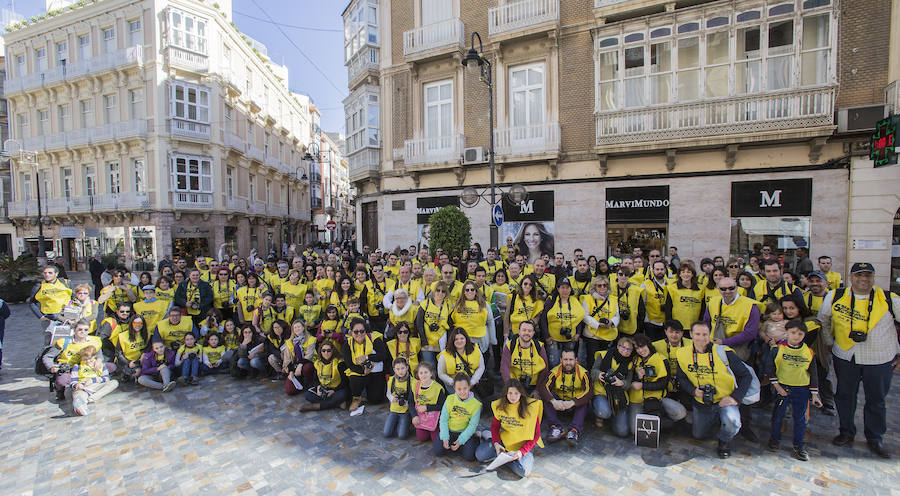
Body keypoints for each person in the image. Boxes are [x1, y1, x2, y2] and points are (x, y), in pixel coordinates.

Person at [819, 262, 900, 459]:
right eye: (859, 275)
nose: (863, 279)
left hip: (880, 358)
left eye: (867, 275)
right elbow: (823, 321)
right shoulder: (835, 296)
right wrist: (830, 342)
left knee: (876, 400)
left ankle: (875, 437)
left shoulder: (889, 299)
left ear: (873, 278)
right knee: (845, 396)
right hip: (846, 356)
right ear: (851, 277)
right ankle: (846, 431)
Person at [676, 321, 754, 459]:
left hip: (725, 401)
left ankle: (724, 441)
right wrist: (693, 391)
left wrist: (734, 398)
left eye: (705, 334)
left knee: (733, 422)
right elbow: (681, 378)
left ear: (710, 334)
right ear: (691, 334)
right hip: (702, 401)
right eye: (697, 334)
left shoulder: (723, 352)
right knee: (698, 435)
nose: (701, 338)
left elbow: (746, 376)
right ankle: (716, 420)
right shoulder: (681, 354)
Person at [766, 319, 822, 461]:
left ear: (804, 335)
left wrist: (815, 395)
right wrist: (777, 387)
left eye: (800, 333)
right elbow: (769, 369)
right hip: (783, 388)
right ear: (786, 333)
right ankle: (774, 439)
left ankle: (799, 445)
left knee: (801, 419)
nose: (796, 336)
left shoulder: (808, 352)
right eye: (793, 333)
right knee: (778, 416)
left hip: (801, 390)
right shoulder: (778, 349)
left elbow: (814, 373)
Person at [475, 379, 543, 478]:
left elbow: (536, 435)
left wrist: (521, 452)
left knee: (523, 472)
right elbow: (495, 426)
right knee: (479, 455)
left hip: (522, 447)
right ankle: (504, 458)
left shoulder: (531, 407)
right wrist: (496, 443)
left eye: (516, 393)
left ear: (521, 393)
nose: (513, 396)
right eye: (510, 393)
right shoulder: (500, 405)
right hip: (504, 444)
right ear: (506, 393)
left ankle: (503, 460)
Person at [628, 335, 687, 433]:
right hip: (637, 399)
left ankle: (660, 422)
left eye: (642, 346)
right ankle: (652, 421)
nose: (641, 350)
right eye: (637, 348)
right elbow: (630, 381)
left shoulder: (661, 359)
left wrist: (643, 385)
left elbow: (663, 384)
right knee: (635, 431)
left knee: (680, 412)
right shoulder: (634, 360)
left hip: (657, 398)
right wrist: (639, 377)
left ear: (648, 344)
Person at [539, 346, 590, 446]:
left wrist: (573, 402)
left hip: (574, 405)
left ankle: (574, 430)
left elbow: (589, 392)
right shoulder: (554, 372)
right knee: (547, 397)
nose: (568, 362)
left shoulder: (583, 373)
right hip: (559, 405)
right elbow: (543, 387)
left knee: (585, 401)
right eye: (565, 359)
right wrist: (553, 401)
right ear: (561, 360)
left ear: (576, 360)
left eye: (571, 359)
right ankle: (556, 428)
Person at [590, 336, 635, 437]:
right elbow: (592, 372)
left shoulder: (630, 364)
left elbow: (628, 383)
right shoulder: (603, 355)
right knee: (604, 412)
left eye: (629, 349)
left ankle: (614, 417)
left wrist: (622, 383)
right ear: (618, 346)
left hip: (618, 396)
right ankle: (601, 414)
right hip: (602, 391)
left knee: (622, 431)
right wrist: (599, 375)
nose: (625, 351)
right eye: (623, 347)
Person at [432, 373, 482, 461]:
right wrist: (445, 437)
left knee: (469, 457)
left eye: (465, 388)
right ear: (454, 388)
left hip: (464, 432)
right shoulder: (450, 399)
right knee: (437, 451)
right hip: (450, 431)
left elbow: (472, 426)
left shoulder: (476, 404)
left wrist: (461, 440)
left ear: (469, 387)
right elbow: (443, 420)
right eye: (459, 389)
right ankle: (456, 447)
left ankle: (475, 438)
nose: (462, 392)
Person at [343, 317, 387, 416]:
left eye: (362, 331)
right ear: (351, 332)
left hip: (376, 372)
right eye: (356, 331)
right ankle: (356, 397)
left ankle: (369, 389)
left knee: (375, 400)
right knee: (354, 379)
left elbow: (383, 355)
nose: (359, 334)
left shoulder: (374, 338)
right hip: (360, 371)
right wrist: (363, 371)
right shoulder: (348, 343)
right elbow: (349, 363)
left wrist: (367, 357)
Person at [539, 278, 585, 367]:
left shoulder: (574, 300)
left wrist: (578, 333)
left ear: (571, 289)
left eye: (567, 288)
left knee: (568, 364)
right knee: (554, 363)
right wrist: (547, 336)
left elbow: (579, 317)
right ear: (558, 288)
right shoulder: (551, 300)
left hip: (570, 338)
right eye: (562, 287)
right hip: (553, 339)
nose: (565, 290)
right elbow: (543, 319)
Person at [500, 320, 549, 398]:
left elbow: (544, 370)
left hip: (534, 385)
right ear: (519, 331)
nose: (526, 333)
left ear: (533, 333)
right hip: (514, 384)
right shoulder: (510, 346)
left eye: (529, 331)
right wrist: (511, 389)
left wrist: (537, 390)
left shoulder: (539, 346)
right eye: (524, 330)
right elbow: (504, 368)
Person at [580, 276, 619, 370]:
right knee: (592, 360)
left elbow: (617, 315)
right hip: (593, 336)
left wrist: (611, 322)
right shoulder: (588, 298)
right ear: (595, 287)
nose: (602, 287)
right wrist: (597, 324)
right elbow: (584, 316)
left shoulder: (613, 299)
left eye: (605, 285)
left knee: (606, 361)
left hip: (608, 334)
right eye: (599, 285)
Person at [68, 345, 119, 416]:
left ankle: (91, 398)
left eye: (90, 359)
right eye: (85, 360)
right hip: (83, 388)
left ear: (94, 356)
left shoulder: (101, 365)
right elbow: (73, 381)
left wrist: (93, 380)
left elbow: (106, 378)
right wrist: (77, 385)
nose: (88, 361)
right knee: (79, 395)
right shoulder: (77, 366)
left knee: (114, 383)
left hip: (97, 386)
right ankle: (81, 406)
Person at [299, 341, 349, 412]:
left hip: (337, 389)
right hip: (324, 389)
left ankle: (316, 406)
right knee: (307, 395)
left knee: (343, 395)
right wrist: (318, 387)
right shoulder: (317, 363)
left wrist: (334, 391)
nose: (326, 353)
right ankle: (336, 403)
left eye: (329, 350)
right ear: (321, 351)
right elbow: (315, 379)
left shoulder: (339, 363)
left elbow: (345, 381)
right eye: (323, 351)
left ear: (333, 351)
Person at [449, 281, 494, 355]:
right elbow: (452, 321)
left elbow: (490, 322)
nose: (470, 292)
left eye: (472, 289)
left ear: (476, 291)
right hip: (461, 341)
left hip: (479, 339)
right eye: (467, 290)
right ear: (463, 292)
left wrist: (492, 339)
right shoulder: (457, 305)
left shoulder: (484, 305)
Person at [437, 327, 485, 392]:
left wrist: (473, 381)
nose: (459, 341)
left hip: (471, 383)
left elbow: (481, 367)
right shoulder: (444, 355)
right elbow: (441, 373)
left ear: (466, 339)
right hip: (453, 385)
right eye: (456, 339)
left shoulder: (475, 350)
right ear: (452, 341)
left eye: (462, 338)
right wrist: (453, 383)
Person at [416, 281, 452, 365]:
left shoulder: (448, 306)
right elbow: (419, 324)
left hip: (442, 343)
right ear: (433, 291)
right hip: (427, 343)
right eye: (438, 290)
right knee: (430, 367)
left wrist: (449, 343)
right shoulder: (425, 304)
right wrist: (424, 341)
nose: (440, 293)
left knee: (442, 367)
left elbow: (450, 326)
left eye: (443, 291)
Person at [411, 361, 447, 443]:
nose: (423, 375)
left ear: (431, 373)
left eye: (426, 372)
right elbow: (410, 402)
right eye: (421, 373)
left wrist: (427, 407)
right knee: (421, 438)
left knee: (435, 440)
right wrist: (414, 416)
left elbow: (443, 405)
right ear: (418, 375)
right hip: (421, 416)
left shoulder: (438, 388)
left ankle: (437, 428)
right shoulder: (415, 385)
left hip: (434, 417)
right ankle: (426, 429)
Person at [504, 274, 544, 341]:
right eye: (525, 284)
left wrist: (532, 322)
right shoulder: (513, 297)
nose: (527, 286)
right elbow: (506, 316)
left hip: (529, 332)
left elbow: (538, 316)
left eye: (530, 285)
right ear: (521, 284)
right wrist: (506, 332)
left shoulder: (536, 300)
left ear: (532, 287)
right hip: (515, 331)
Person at [667, 262, 705, 330]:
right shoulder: (672, 288)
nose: (686, 274)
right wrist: (669, 325)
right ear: (679, 274)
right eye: (683, 272)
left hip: (694, 326)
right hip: (677, 326)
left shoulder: (700, 289)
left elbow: (703, 309)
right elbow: (668, 308)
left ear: (692, 274)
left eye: (688, 272)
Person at [384, 357, 414, 439]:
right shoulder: (391, 380)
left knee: (402, 436)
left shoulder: (412, 381)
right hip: (394, 409)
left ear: (407, 368)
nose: (400, 371)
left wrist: (406, 402)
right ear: (394, 369)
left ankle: (406, 422)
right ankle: (396, 422)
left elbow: (414, 399)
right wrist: (392, 398)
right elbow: (388, 393)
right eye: (397, 369)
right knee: (387, 433)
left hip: (405, 411)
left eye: (402, 368)